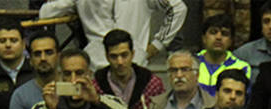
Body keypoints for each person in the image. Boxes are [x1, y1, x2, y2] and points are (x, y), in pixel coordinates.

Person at [37, 0, 187, 68]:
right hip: (98, 71)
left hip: (134, 68)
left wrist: (157, 45)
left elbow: (178, 8)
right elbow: (46, 13)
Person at [196, 13, 252, 96]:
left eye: (224, 34)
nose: (218, 37)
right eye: (213, 32)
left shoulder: (242, 67)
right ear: (204, 38)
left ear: (231, 41)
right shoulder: (190, 63)